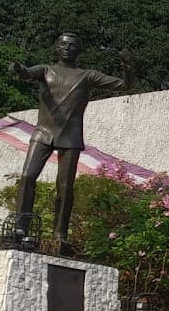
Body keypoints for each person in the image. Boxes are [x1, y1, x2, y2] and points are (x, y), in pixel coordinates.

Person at [8, 33, 130, 250]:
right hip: (43, 133)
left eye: (72, 45)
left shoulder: (87, 76)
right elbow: (27, 73)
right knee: (27, 176)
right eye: (63, 44)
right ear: (57, 47)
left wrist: (127, 65)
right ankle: (21, 227)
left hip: (70, 137)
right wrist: (18, 69)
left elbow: (124, 85)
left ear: (79, 50)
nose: (67, 48)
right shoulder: (45, 70)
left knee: (65, 187)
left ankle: (60, 234)